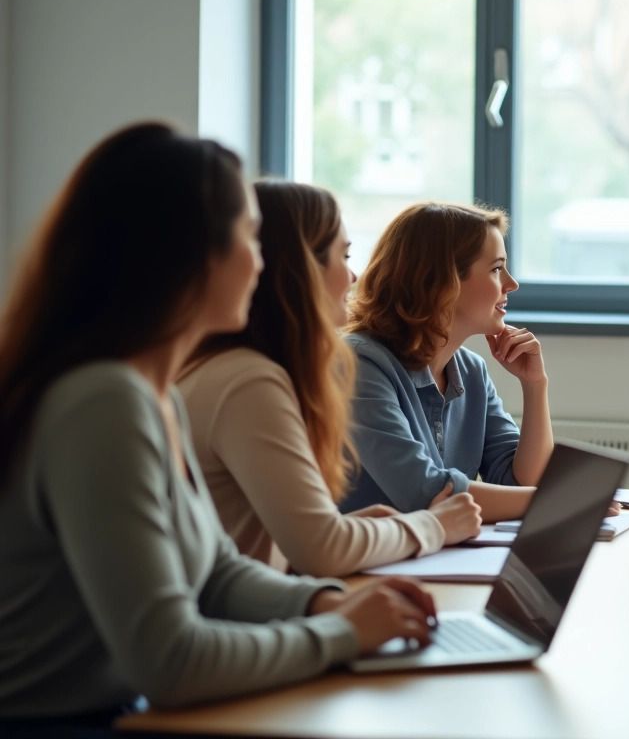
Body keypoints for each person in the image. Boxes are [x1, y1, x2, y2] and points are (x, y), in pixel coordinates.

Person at [0, 124, 436, 735]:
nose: (263, 261)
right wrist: (340, 634)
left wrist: (326, 603)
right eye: (251, 235)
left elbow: (215, 572)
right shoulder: (101, 402)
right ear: (188, 253)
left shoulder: (157, 397)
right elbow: (170, 662)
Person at [179, 181, 481, 577]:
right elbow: (322, 550)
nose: (354, 275)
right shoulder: (249, 382)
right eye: (345, 255)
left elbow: (298, 544)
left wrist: (373, 529)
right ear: (300, 269)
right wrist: (435, 526)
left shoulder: (244, 370)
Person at [340, 202, 629, 523]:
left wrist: (535, 386)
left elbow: (523, 480)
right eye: (496, 269)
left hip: (431, 563)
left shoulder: (470, 370)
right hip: (364, 577)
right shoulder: (360, 363)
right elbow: (426, 492)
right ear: (441, 282)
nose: (511, 284)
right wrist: (569, 500)